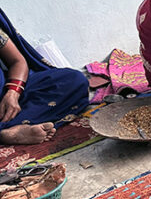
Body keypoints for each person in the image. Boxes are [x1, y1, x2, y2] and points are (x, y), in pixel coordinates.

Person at [0, 7, 89, 145]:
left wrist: (13, 93)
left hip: (6, 92)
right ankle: (6, 134)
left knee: (75, 80)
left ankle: (13, 126)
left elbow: (17, 61)